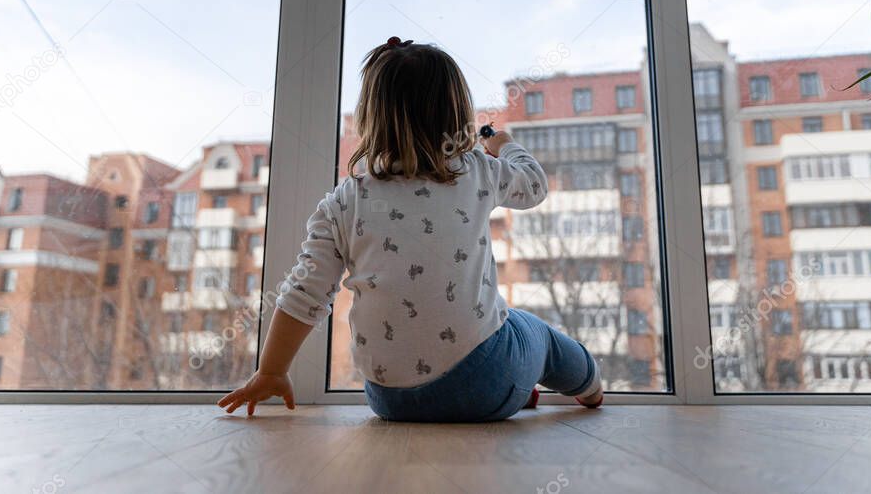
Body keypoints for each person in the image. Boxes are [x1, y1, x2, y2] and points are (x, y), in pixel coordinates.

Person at [218, 38, 603, 421]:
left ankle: (512, 391)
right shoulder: (476, 170)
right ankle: (590, 386)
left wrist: (271, 371)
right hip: (485, 380)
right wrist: (505, 145)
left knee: (504, 338)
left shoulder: (344, 201)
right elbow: (534, 185)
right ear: (456, 114)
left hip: (390, 399)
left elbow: (304, 291)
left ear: (370, 118)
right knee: (536, 334)